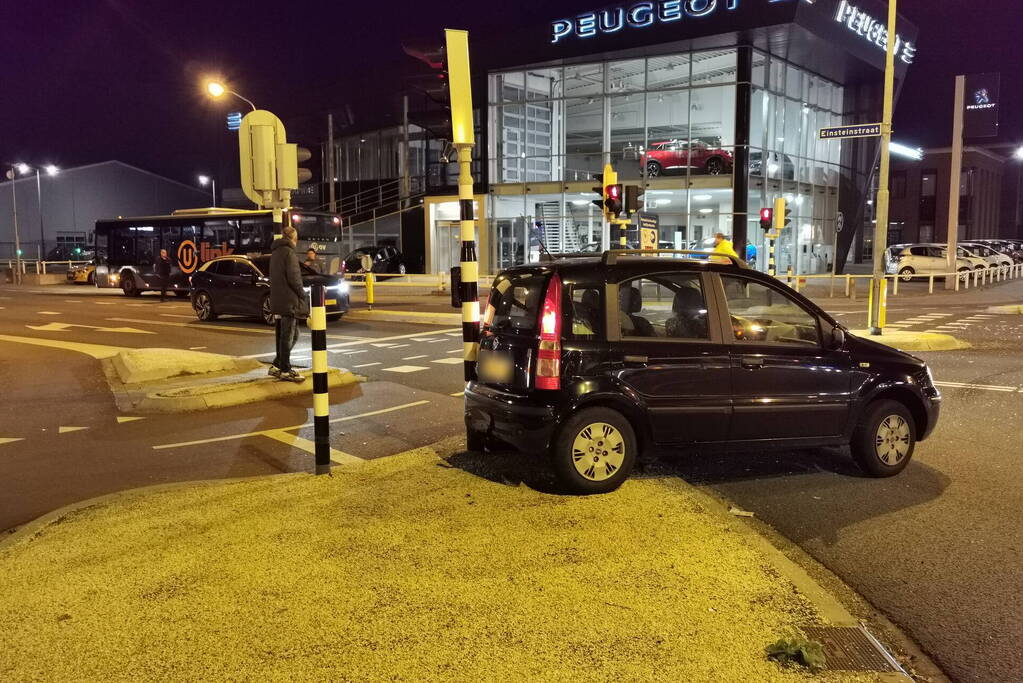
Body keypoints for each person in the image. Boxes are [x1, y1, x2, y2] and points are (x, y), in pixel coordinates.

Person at [269, 227, 308, 383]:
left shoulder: (275, 252)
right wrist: (302, 294)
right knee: (290, 335)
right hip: (289, 299)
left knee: (284, 334)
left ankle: (278, 365)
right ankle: (284, 368)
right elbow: (294, 277)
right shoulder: (289, 253)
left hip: (278, 298)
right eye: (296, 238)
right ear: (293, 238)